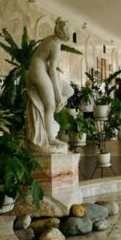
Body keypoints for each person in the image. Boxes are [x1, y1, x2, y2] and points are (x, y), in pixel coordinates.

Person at [26, 17, 74, 153]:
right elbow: (53, 71)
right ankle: (50, 137)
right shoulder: (56, 45)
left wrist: (60, 93)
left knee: (70, 91)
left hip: (40, 68)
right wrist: (58, 94)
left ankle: (58, 106)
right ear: (66, 36)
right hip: (39, 71)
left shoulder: (51, 38)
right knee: (50, 105)